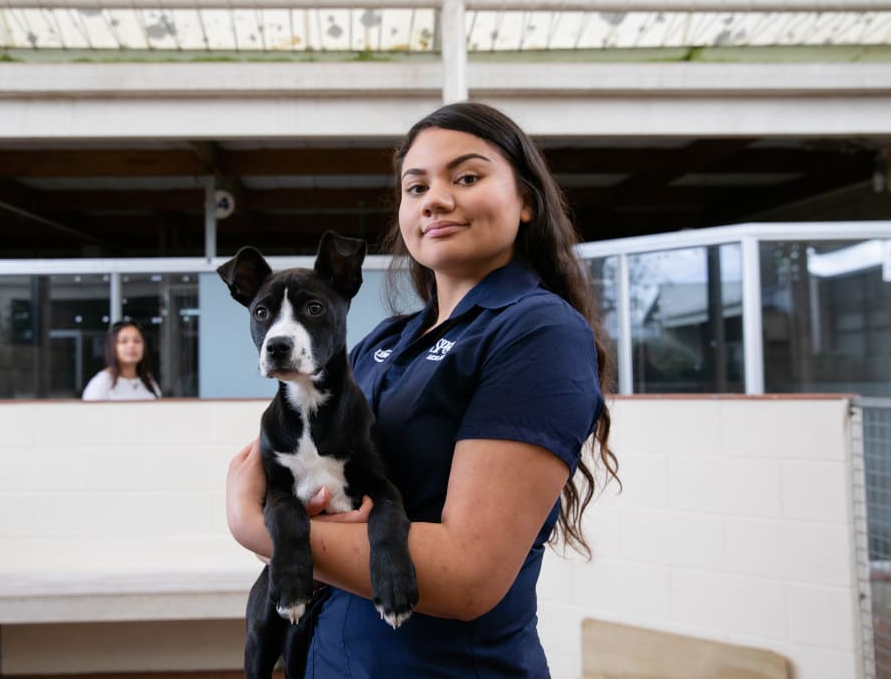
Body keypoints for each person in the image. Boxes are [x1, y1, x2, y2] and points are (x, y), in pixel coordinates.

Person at [226, 102, 619, 677]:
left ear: (527, 201)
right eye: (416, 187)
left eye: (466, 177)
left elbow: (467, 574)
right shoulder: (383, 342)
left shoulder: (537, 330)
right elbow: (287, 464)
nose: (434, 199)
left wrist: (252, 524)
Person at [81, 319, 162, 400]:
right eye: (124, 341)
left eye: (137, 341)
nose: (131, 345)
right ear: (112, 347)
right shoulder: (102, 382)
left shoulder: (148, 380)